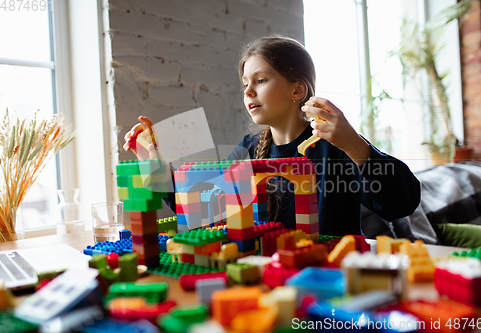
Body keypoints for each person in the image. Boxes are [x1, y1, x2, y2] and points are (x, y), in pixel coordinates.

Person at [124, 36, 421, 236]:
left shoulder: (334, 148)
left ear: (297, 89)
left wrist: (354, 144)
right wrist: (151, 160)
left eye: (261, 80)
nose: (248, 92)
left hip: (326, 284)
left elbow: (400, 203)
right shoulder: (248, 150)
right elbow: (199, 205)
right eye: (245, 85)